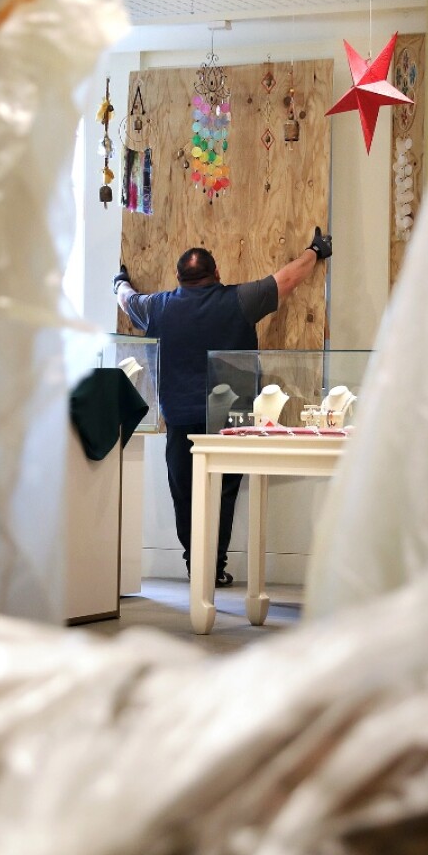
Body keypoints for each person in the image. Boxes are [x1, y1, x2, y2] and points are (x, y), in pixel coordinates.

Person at [113, 227, 333, 586]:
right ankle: (213, 566)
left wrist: (118, 281)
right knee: (224, 492)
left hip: (180, 421)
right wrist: (315, 250)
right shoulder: (240, 300)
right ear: (217, 275)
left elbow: (126, 299)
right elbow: (288, 279)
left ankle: (195, 565)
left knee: (184, 493)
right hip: (231, 420)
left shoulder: (159, 307)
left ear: (178, 278)